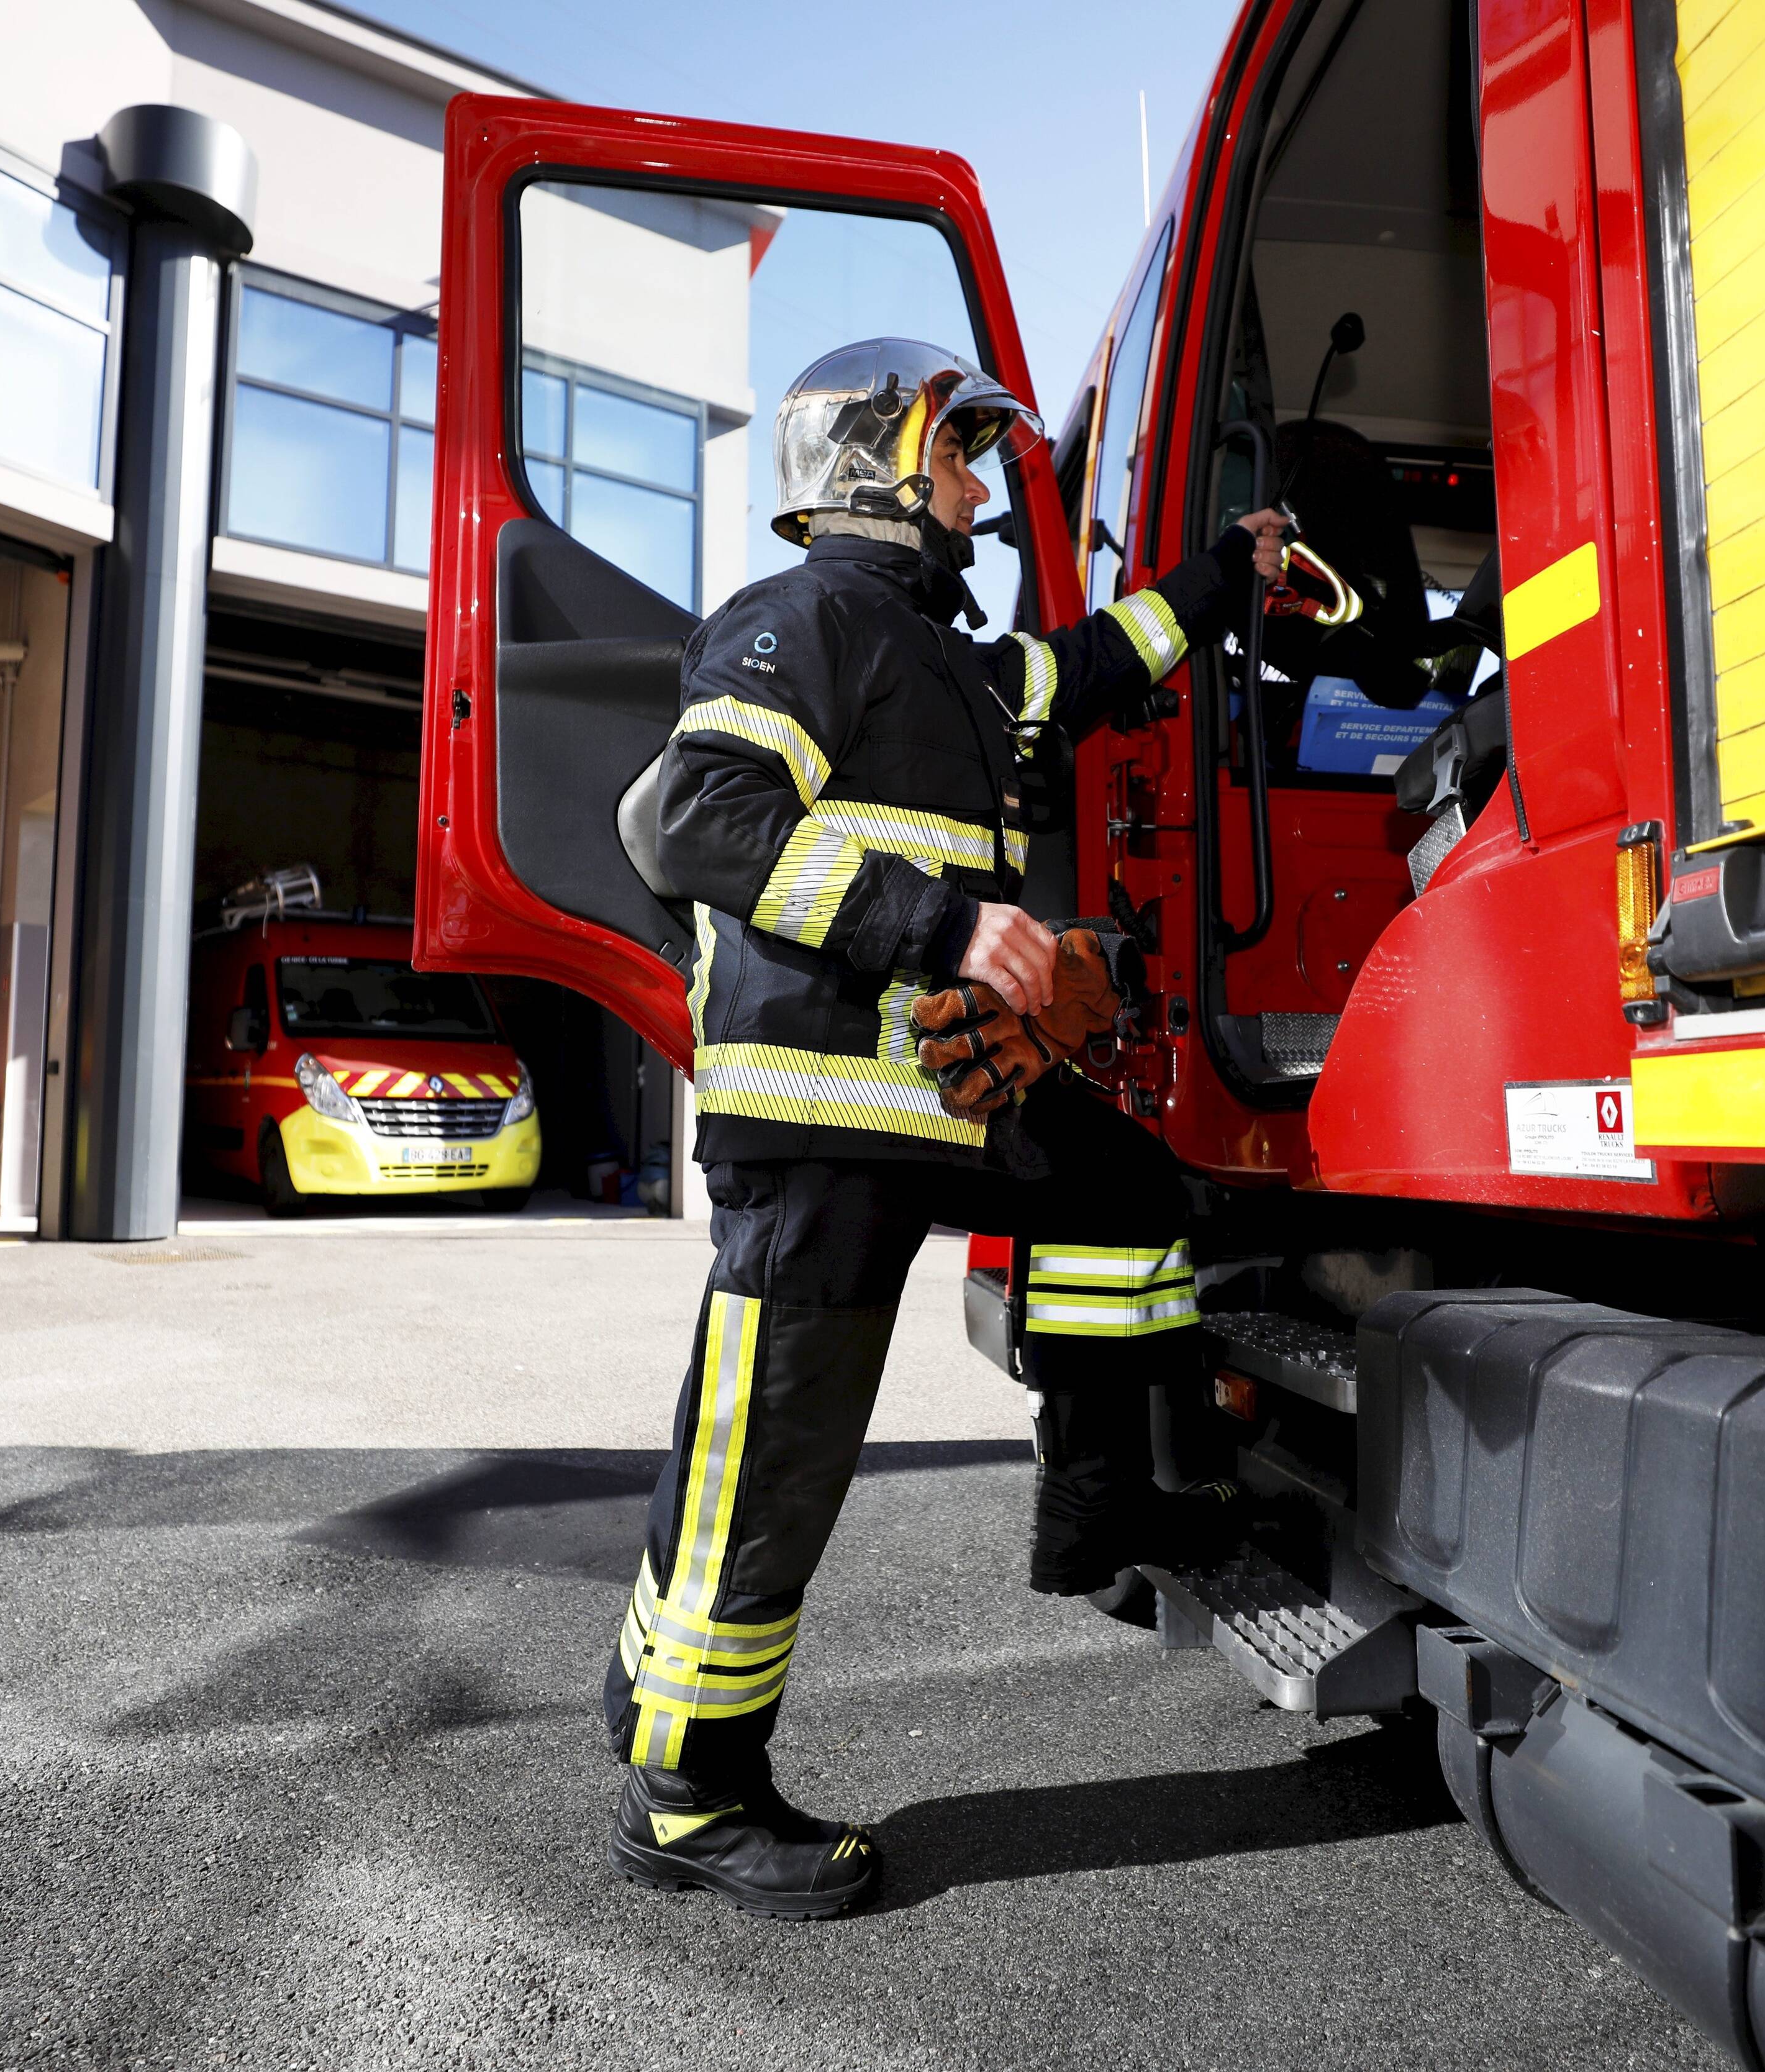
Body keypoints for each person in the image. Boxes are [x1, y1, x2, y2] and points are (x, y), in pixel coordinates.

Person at [604, 338, 1290, 1919]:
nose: (979, 486)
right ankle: (690, 1796)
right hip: (817, 1116)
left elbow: (1095, 665)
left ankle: (1097, 1499)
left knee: (1122, 1189)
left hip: (931, 1093)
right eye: (957, 455)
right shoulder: (803, 619)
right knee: (771, 1457)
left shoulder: (951, 662)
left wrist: (1223, 573)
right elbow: (701, 817)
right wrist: (949, 926)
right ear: (875, 466)